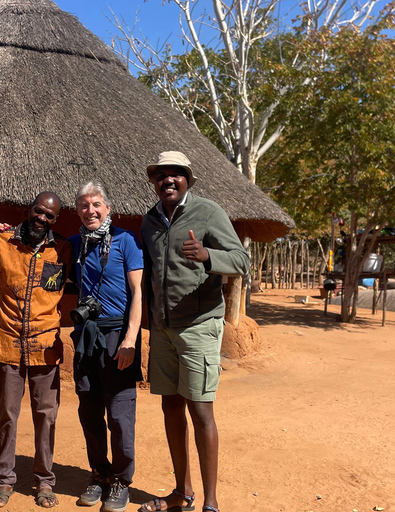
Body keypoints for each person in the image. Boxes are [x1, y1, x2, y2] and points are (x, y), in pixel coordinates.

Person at [138, 152, 250, 512]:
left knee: (201, 411)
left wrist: (207, 256)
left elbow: (241, 261)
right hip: (163, 328)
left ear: (188, 179)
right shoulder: (149, 222)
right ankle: (181, 492)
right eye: (161, 176)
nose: (167, 181)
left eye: (175, 175)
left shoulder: (209, 212)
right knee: (171, 407)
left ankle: (211, 501)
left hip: (199, 325)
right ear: (155, 183)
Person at [0, 192, 74, 509]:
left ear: (55, 220)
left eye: (49, 216)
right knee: (7, 414)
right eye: (39, 211)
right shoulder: (3, 242)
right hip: (8, 342)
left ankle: (44, 481)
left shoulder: (62, 249)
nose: (43, 218)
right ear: (29, 210)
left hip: (45, 345)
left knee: (46, 416)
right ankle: (4, 479)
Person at [68, 182, 143, 512]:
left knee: (120, 413)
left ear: (108, 208)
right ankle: (99, 474)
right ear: (78, 212)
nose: (90, 211)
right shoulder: (74, 244)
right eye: (84, 206)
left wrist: (130, 339)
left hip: (117, 338)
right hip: (86, 338)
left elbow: (138, 293)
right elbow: (34, 242)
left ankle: (121, 480)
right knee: (89, 411)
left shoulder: (127, 241)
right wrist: (3, 228)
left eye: (96, 204)